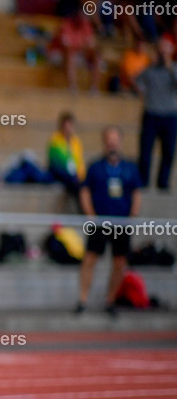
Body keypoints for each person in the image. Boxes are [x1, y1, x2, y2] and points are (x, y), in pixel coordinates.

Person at [77, 126, 141, 316]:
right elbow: (84, 191)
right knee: (90, 258)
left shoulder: (129, 168)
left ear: (120, 141)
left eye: (115, 139)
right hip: (100, 222)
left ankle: (110, 300)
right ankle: (83, 300)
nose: (112, 143)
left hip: (121, 223)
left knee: (119, 261)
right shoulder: (95, 167)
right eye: (109, 139)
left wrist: (132, 217)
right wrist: (90, 214)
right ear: (104, 142)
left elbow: (136, 193)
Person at [134, 38, 177, 192]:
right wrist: (143, 91)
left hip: (170, 114)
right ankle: (143, 180)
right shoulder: (150, 69)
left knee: (168, 150)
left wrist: (169, 67)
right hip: (151, 112)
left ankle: (163, 182)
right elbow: (137, 80)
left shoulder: (174, 69)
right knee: (145, 149)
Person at [47, 111, 86, 200]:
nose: (68, 128)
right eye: (66, 126)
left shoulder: (76, 142)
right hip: (60, 173)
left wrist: (81, 175)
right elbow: (57, 162)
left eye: (70, 125)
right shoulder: (55, 140)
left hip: (73, 175)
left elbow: (79, 162)